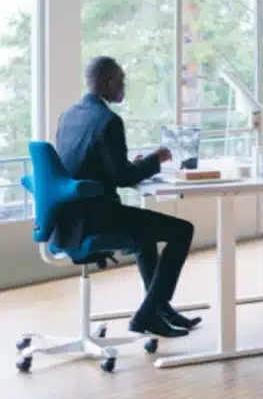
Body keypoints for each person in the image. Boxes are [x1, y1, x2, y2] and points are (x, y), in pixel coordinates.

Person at [55, 56, 198, 338]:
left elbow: (98, 167)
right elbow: (122, 179)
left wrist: (136, 165)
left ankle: (158, 309)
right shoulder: (109, 121)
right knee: (183, 231)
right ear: (108, 82)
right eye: (122, 81)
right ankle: (147, 314)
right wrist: (155, 160)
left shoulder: (70, 115)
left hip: (69, 218)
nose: (124, 87)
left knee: (146, 236)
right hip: (95, 218)